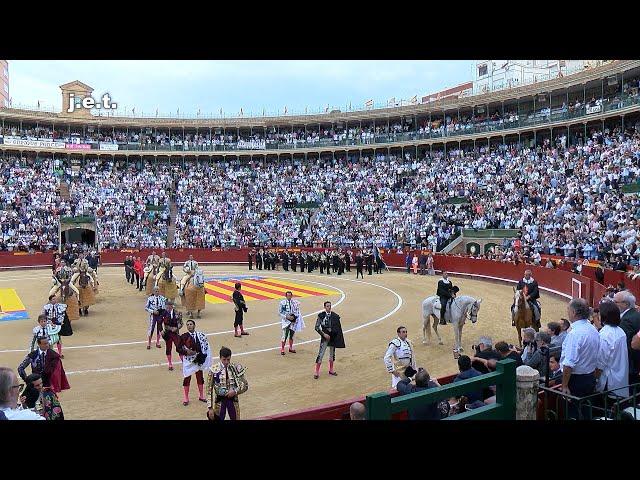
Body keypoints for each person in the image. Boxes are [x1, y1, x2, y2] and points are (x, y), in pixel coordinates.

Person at [560, 298, 600, 419]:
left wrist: (565, 385)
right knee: (586, 410)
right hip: (589, 377)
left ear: (574, 312)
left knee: (573, 413)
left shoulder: (575, 333)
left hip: (575, 381)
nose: (567, 312)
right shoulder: (592, 328)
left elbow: (569, 363)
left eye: (568, 309)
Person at [595, 301, 629, 398]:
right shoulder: (620, 331)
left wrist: (595, 380)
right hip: (620, 380)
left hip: (608, 383)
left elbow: (600, 363)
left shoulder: (605, 334)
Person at [206, 346, 249, 421]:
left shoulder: (235, 368)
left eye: (228, 359)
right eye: (224, 359)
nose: (226, 362)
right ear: (220, 358)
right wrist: (210, 408)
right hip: (219, 400)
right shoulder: (213, 369)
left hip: (233, 399)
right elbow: (209, 390)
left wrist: (235, 391)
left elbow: (245, 385)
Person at [178, 319, 212, 406]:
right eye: (188, 325)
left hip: (198, 359)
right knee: (187, 377)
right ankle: (186, 397)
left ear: (194, 325)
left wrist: (202, 357)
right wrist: (186, 352)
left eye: (191, 324)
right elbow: (178, 348)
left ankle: (201, 395)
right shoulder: (184, 336)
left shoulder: (201, 335)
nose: (189, 326)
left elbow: (205, 346)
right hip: (189, 361)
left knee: (200, 377)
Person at [613, 290, 640, 385]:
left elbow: (626, 347)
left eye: (615, 302)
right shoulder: (636, 314)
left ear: (626, 304)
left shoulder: (626, 321)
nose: (613, 305)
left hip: (631, 367)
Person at [314, 301, 345, 379]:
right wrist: (323, 334)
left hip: (332, 337)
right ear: (325, 307)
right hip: (325, 337)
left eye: (330, 306)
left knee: (332, 354)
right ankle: (316, 372)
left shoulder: (335, 316)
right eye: (327, 306)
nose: (329, 307)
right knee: (321, 354)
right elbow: (316, 327)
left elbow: (338, 328)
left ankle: (331, 370)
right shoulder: (321, 316)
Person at [279, 291, 304, 355]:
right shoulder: (282, 303)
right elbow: (280, 312)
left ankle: (290, 348)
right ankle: (282, 349)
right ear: (286, 296)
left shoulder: (295, 302)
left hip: (293, 321)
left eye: (290, 295)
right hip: (286, 321)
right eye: (288, 296)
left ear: (291, 296)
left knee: (292, 335)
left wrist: (294, 317)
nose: (289, 297)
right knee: (285, 335)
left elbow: (297, 311)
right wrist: (287, 317)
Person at [160, 300, 183, 371]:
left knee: (179, 348)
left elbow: (181, 323)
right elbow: (159, 322)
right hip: (167, 334)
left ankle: (183, 363)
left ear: (172, 306)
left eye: (169, 305)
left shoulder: (177, 313)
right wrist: (161, 330)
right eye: (167, 305)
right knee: (168, 348)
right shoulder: (164, 313)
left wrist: (176, 328)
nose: (168, 307)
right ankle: (170, 363)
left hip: (175, 333)